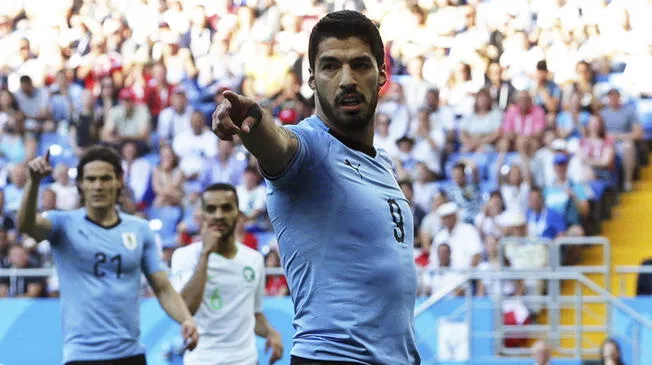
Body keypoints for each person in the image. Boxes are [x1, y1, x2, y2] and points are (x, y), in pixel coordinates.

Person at [211, 10, 420, 365]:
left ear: (382, 74)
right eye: (330, 67)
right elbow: (278, 146)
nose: (346, 80)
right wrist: (256, 122)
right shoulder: (309, 150)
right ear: (311, 79)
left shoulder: (381, 163)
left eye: (360, 65)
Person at [17, 146, 198, 365]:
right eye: (91, 179)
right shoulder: (62, 224)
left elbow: (162, 287)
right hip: (82, 356)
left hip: (130, 354)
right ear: (80, 184)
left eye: (105, 178)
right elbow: (26, 225)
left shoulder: (139, 230)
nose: (98, 186)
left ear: (119, 181)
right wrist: (33, 182)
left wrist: (186, 319)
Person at [170, 183, 283, 365]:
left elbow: (254, 314)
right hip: (201, 360)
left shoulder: (253, 259)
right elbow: (186, 310)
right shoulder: (185, 256)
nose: (219, 215)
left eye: (226, 208)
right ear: (202, 215)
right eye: (211, 209)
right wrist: (205, 255)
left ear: (238, 214)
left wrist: (271, 332)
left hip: (245, 360)